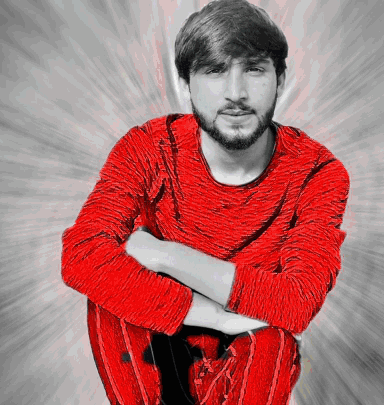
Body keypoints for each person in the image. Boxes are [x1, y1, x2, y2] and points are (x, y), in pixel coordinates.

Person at [61, 0, 350, 403]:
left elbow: (298, 302)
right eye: (215, 70)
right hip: (158, 343)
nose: (236, 93)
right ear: (185, 85)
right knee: (111, 296)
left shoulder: (317, 172)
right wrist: (214, 316)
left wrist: (165, 255)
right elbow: (81, 254)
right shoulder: (148, 149)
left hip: (250, 355)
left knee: (273, 338)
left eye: (254, 69)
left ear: (280, 80)